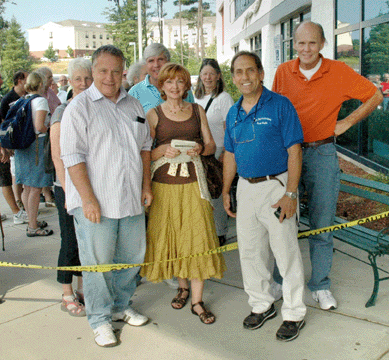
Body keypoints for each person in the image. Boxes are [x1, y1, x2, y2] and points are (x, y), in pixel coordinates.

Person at [272, 21, 383, 310]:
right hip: (288, 155)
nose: (305, 49)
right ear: (293, 44)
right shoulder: (284, 72)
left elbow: (376, 95)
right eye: (300, 43)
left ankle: (320, 285)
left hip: (322, 154)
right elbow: (274, 112)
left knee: (322, 224)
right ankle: (280, 280)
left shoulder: (339, 71)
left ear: (322, 44)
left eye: (312, 43)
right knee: (283, 222)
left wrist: (347, 121)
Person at [60, 45, 153, 348]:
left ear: (123, 71)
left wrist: (146, 186)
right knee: (97, 263)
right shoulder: (79, 108)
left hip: (130, 199)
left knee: (131, 258)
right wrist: (87, 199)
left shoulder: (134, 106)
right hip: (96, 203)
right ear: (93, 72)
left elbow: (145, 149)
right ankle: (99, 319)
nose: (110, 77)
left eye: (116, 71)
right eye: (103, 71)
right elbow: (72, 157)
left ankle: (120, 306)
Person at [222, 51, 306, 342]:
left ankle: (294, 312)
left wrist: (290, 193)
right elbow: (230, 155)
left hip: (276, 186)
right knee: (250, 252)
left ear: (260, 73)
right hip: (245, 188)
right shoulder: (233, 112)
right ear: (233, 77)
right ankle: (262, 304)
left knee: (285, 251)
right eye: (238, 72)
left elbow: (295, 151)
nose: (243, 77)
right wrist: (225, 190)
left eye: (249, 71)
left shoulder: (280, 105)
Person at [140, 63, 226, 325]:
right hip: (163, 186)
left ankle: (197, 301)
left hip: (194, 185)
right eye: (169, 82)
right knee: (173, 237)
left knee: (197, 237)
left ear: (186, 84)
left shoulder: (197, 110)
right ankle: (183, 287)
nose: (175, 87)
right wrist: (161, 151)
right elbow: (144, 152)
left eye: (179, 81)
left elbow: (211, 144)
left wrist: (200, 149)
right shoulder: (153, 114)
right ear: (162, 86)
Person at [51, 58, 93, 317]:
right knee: (70, 240)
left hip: (88, 183)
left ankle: (82, 288)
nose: (83, 83)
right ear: (70, 81)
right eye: (78, 79)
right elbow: (58, 156)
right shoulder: (62, 110)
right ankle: (66, 291)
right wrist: (67, 191)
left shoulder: (94, 107)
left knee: (86, 242)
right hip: (67, 185)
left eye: (87, 78)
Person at [194, 58, 234, 246]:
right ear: (200, 76)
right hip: (199, 151)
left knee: (217, 192)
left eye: (211, 73)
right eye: (204, 73)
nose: (207, 77)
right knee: (203, 193)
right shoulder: (194, 97)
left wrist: (226, 152)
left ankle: (220, 232)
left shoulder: (223, 98)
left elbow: (230, 128)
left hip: (218, 150)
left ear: (218, 76)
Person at [14, 72, 54, 237]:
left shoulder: (21, 100)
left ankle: (31, 220)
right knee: (36, 187)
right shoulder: (40, 100)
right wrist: (51, 129)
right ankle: (32, 226)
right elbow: (39, 125)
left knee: (27, 187)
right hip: (36, 146)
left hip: (22, 147)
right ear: (41, 84)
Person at [129, 43, 194, 114]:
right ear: (146, 64)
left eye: (160, 59)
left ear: (168, 62)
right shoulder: (135, 92)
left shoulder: (183, 90)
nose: (156, 65)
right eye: (151, 61)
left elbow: (193, 118)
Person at [0, 70, 28, 223]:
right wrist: (2, 146)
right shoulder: (6, 99)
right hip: (5, 146)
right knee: (5, 180)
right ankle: (16, 212)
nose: (2, 79)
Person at [36, 66, 60, 207]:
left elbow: (58, 104)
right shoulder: (39, 97)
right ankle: (47, 194)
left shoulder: (50, 92)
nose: (52, 80)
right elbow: (39, 125)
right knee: (46, 164)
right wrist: (48, 130)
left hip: (54, 129)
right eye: (50, 77)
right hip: (45, 134)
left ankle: (48, 193)